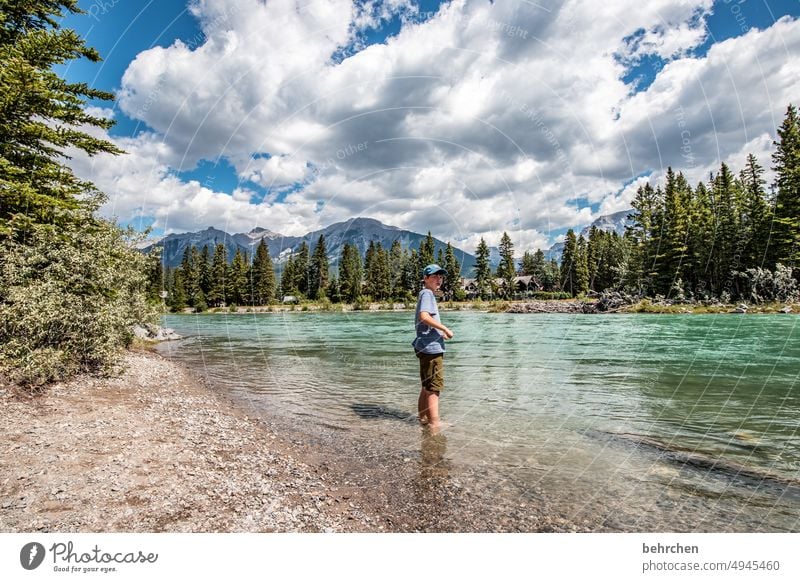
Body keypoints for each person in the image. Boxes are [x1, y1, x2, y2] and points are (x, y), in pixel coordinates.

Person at [413, 264, 454, 428]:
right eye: (435, 276)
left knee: (426, 386)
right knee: (433, 389)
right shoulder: (428, 294)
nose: (439, 279)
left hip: (425, 346)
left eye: (441, 276)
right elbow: (424, 317)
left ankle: (423, 419)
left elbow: (426, 322)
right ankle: (434, 424)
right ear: (426, 278)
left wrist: (439, 332)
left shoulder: (424, 294)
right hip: (431, 349)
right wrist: (444, 328)